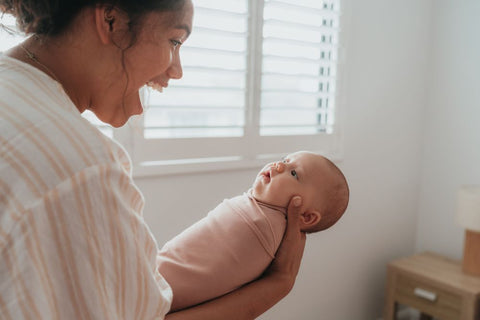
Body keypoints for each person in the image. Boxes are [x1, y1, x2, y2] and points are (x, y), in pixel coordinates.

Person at [0, 1, 307, 319]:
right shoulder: (81, 169)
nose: (177, 70)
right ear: (111, 19)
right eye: (174, 41)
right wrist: (279, 284)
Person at [158, 151, 350, 312]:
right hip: (156, 277)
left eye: (294, 174)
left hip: (159, 287)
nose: (278, 166)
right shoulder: (259, 210)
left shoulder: (265, 227)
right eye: (285, 160)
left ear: (306, 217)